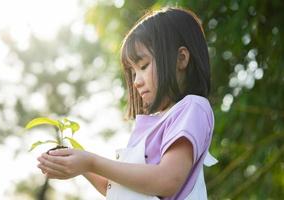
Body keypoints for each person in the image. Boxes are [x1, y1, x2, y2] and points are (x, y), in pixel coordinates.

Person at [37, 7, 218, 199]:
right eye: (133, 72)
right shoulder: (149, 126)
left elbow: (167, 180)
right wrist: (80, 163)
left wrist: (91, 162)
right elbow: (115, 187)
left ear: (181, 59)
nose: (136, 81)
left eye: (143, 66)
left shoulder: (192, 108)